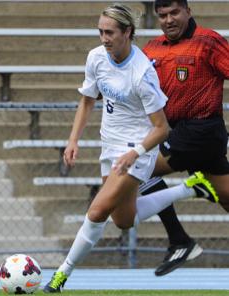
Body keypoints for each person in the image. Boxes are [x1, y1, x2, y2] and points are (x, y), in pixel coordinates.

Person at [43, 3, 218, 293]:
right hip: (109, 146)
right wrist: (73, 140)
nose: (104, 38)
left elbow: (162, 128)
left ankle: (61, 275)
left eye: (110, 32)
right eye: (100, 32)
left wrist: (135, 152)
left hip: (138, 149)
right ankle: (191, 187)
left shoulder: (142, 73)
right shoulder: (96, 58)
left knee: (97, 211)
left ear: (128, 32)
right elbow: (88, 99)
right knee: (123, 220)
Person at [140, 0, 229, 276]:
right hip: (180, 133)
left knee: (135, 169)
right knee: (227, 197)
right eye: (162, 15)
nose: (168, 20)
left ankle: (180, 241)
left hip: (202, 129)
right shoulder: (151, 49)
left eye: (174, 13)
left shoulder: (208, 41)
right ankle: (181, 239)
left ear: (188, 11)